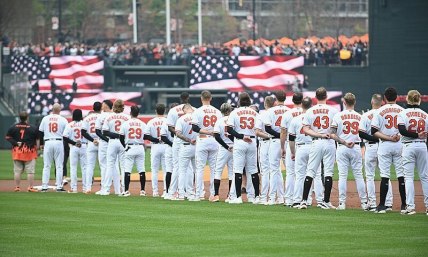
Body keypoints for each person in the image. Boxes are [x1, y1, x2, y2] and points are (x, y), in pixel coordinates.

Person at [299, 87, 339, 209]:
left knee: (310, 171)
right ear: (326, 96)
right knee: (328, 172)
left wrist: (319, 134)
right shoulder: (333, 110)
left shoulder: (310, 111)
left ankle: (304, 201)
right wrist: (327, 134)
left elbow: (305, 129)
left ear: (315, 97)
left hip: (316, 142)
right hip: (329, 142)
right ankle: (326, 202)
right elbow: (335, 129)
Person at [371, 87, 406, 214]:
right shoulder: (403, 111)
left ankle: (381, 206)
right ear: (396, 97)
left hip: (385, 144)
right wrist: (397, 137)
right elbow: (406, 130)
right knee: (401, 175)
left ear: (385, 98)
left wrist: (389, 138)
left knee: (385, 175)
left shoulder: (380, 110)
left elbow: (374, 131)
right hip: (399, 144)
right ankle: (404, 205)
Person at [330, 93, 368, 210]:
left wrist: (344, 142)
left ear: (344, 102)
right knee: (359, 175)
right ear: (354, 102)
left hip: (342, 147)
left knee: (342, 176)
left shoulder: (338, 116)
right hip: (356, 147)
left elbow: (332, 134)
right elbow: (364, 133)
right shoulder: (360, 116)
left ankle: (342, 203)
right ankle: (364, 203)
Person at [358, 94, 393, 211]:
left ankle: (372, 203)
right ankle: (388, 203)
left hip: (371, 147)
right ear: (382, 102)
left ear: (372, 102)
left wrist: (373, 138)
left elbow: (361, 133)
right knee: (385, 175)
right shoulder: (386, 114)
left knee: (370, 176)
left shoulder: (366, 115)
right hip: (384, 145)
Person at [288, 97, 323, 208]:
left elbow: (291, 138)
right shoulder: (315, 118)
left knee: (300, 175)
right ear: (311, 105)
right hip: (314, 146)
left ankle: (298, 200)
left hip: (301, 148)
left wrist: (293, 152)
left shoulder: (295, 119)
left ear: (301, 105)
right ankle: (320, 200)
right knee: (316, 175)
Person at [397, 90, 428, 215]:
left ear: (408, 99)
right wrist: (420, 136)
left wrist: (416, 134)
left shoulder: (403, 113)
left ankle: (410, 207)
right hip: (422, 146)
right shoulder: (425, 115)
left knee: (409, 177)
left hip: (408, 146)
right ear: (419, 100)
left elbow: (402, 131)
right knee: (425, 177)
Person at [227, 92, 261, 204]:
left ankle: (237, 197)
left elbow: (230, 130)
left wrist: (242, 136)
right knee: (253, 170)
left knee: (237, 169)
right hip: (252, 141)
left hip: (240, 141)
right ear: (249, 101)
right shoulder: (254, 113)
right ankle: (256, 197)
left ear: (239, 101)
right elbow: (259, 129)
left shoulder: (235, 112)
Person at [191, 90, 222, 200]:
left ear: (201, 98)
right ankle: (213, 193)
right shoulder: (217, 112)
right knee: (214, 168)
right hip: (214, 140)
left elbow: (194, 128)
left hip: (203, 140)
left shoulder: (198, 111)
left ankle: (199, 194)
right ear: (211, 98)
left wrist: (206, 131)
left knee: (199, 168)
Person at [264, 91, 290, 205]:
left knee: (274, 170)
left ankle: (272, 198)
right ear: (285, 99)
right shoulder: (290, 111)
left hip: (274, 142)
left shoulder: (270, 111)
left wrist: (279, 136)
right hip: (288, 142)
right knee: (290, 171)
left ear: (276, 100)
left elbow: (267, 129)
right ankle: (286, 197)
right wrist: (283, 136)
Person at [101, 99, 131, 195]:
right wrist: (120, 136)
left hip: (112, 142)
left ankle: (106, 189)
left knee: (110, 165)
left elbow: (105, 132)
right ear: (122, 107)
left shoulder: (109, 117)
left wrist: (116, 135)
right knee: (123, 166)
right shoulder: (127, 117)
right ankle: (123, 189)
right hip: (123, 142)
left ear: (113, 106)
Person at [119, 106, 149, 197]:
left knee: (127, 169)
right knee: (141, 169)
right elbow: (146, 136)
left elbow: (121, 137)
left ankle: (126, 190)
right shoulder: (143, 124)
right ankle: (143, 190)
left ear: (130, 113)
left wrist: (125, 146)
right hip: (140, 147)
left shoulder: (125, 123)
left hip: (130, 147)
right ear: (138, 113)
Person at [5, 111, 39, 192]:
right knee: (30, 172)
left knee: (17, 171)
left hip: (17, 151)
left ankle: (17, 187)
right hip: (29, 152)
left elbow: (7, 137)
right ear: (27, 117)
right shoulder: (33, 127)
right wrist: (37, 148)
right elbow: (37, 139)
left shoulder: (13, 127)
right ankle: (30, 187)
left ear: (19, 117)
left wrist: (15, 143)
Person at [280, 92, 303, 206]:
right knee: (303, 173)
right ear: (302, 100)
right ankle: (304, 199)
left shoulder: (288, 114)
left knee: (290, 173)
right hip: (305, 144)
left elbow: (284, 132)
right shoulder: (307, 113)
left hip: (291, 144)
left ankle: (289, 199)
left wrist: (282, 147)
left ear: (292, 101)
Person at [38, 103, 68, 192]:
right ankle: (59, 186)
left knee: (46, 165)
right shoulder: (63, 119)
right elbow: (66, 134)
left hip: (47, 142)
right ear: (60, 110)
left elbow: (40, 132)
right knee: (59, 166)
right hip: (58, 141)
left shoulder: (45, 118)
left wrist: (41, 144)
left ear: (52, 109)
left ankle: (44, 186)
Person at [166, 92, 190, 199]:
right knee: (189, 167)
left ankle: (172, 192)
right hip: (189, 140)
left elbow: (170, 127)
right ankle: (189, 192)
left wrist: (178, 133)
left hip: (178, 140)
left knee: (176, 166)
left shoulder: (173, 110)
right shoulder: (193, 109)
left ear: (180, 98)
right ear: (188, 98)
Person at [212, 103, 235, 202]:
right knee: (231, 172)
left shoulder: (219, 121)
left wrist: (226, 147)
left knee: (218, 171)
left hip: (223, 148)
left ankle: (216, 195)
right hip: (234, 147)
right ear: (230, 110)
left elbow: (217, 136)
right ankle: (230, 195)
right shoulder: (233, 119)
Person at [175, 104, 197, 200]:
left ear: (184, 110)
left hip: (186, 146)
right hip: (197, 146)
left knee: (182, 171)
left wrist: (188, 140)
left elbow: (178, 133)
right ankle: (192, 193)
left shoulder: (181, 119)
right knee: (195, 171)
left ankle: (181, 193)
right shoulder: (197, 117)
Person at [145, 104, 168, 197]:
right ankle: (166, 190)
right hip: (166, 146)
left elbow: (146, 136)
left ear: (155, 111)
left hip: (155, 146)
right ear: (165, 111)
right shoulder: (167, 121)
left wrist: (156, 139)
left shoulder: (151, 122)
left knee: (154, 170)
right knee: (166, 170)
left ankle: (155, 191)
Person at [255, 96, 275, 205]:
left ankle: (263, 197)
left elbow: (257, 132)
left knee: (265, 171)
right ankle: (279, 196)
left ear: (265, 103)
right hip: (276, 143)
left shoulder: (262, 115)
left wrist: (268, 136)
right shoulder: (277, 114)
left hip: (265, 143)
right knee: (276, 171)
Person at [62, 109, 87, 193]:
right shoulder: (84, 123)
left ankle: (74, 188)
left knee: (73, 168)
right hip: (84, 145)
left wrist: (74, 143)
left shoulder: (70, 125)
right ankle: (85, 188)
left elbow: (65, 137)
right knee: (84, 168)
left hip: (74, 146)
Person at [81, 102, 102, 194]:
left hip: (91, 143)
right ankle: (104, 187)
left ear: (93, 108)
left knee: (89, 166)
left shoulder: (87, 118)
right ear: (101, 108)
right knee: (103, 166)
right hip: (102, 142)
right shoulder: (103, 117)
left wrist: (92, 140)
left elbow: (83, 132)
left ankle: (88, 188)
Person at [94, 100, 113, 195]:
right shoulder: (114, 115)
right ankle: (117, 188)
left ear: (106, 106)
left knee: (103, 165)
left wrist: (106, 140)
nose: (102, 105)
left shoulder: (101, 116)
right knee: (113, 165)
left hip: (103, 142)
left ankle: (104, 188)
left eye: (103, 104)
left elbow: (98, 132)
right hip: (113, 141)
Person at [160, 103, 178, 199]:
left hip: (170, 147)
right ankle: (182, 191)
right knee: (183, 169)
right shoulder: (182, 120)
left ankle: (167, 191)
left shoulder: (166, 122)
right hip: (180, 148)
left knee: (169, 170)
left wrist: (172, 145)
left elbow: (163, 137)